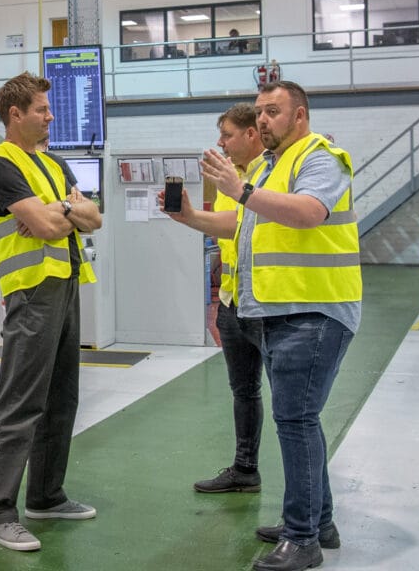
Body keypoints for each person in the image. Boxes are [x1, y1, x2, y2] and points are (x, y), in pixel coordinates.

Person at [161, 80, 360, 571]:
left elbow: (311, 212)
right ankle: (319, 521)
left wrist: (240, 188)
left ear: (300, 115)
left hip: (314, 310)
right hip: (280, 311)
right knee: (299, 419)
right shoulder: (271, 166)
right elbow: (241, 224)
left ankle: (302, 538)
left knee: (295, 421)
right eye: (260, 112)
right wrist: (190, 218)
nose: (264, 120)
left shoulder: (320, 156)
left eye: (273, 111)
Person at [0, 71, 103, 553]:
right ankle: (0, 513)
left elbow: (94, 217)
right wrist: (62, 214)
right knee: (20, 403)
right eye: (43, 110)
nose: (51, 117)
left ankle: (46, 496)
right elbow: (52, 225)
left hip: (67, 286)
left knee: (62, 398)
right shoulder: (1, 166)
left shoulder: (53, 164)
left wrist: (60, 214)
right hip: (30, 292)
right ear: (16, 115)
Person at [193, 103, 267, 495]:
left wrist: (190, 217)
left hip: (271, 304)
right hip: (233, 302)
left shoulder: (270, 174)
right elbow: (227, 228)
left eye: (227, 135)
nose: (220, 143)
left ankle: (307, 507)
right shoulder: (230, 177)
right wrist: (188, 215)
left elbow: (238, 222)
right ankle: (244, 468)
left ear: (251, 134)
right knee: (244, 391)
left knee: (295, 411)